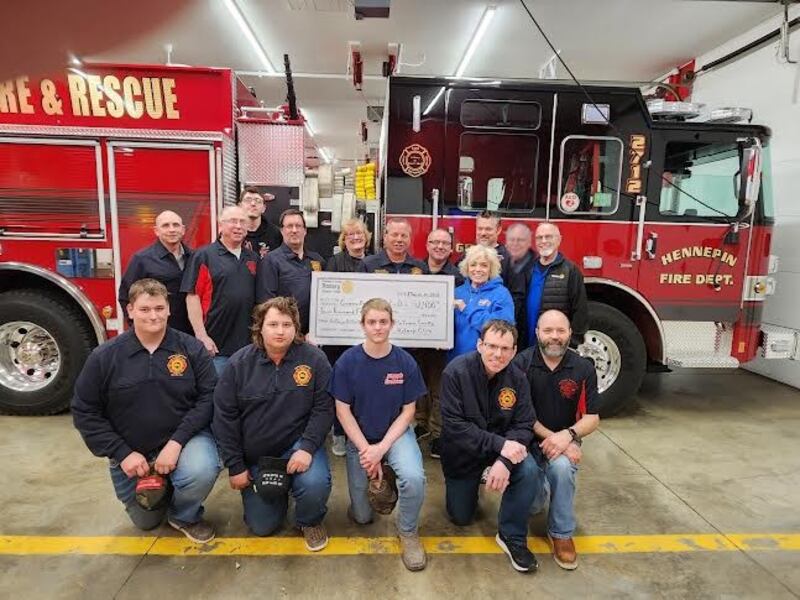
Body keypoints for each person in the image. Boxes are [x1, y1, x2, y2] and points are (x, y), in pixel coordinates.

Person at [72, 278, 220, 543]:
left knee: (201, 469)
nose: (154, 316)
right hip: (132, 453)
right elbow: (85, 411)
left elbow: (209, 398)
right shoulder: (105, 357)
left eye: (159, 308)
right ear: (130, 310)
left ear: (169, 309)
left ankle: (184, 514)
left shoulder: (190, 349)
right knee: (147, 521)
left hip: (184, 441)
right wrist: (122, 453)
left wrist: (176, 443)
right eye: (145, 309)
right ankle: (165, 486)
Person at [212, 297, 334, 551]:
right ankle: (279, 495)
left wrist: (308, 447)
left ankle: (308, 520)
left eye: (287, 324)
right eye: (273, 324)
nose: (280, 331)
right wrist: (235, 465)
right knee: (262, 527)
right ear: (260, 327)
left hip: (298, 446)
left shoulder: (315, 359)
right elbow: (225, 418)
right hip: (258, 455)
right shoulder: (238, 364)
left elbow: (324, 408)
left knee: (314, 484)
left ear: (296, 328)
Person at [330, 298, 428, 571]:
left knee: (413, 477)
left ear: (392, 324)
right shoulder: (347, 362)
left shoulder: (404, 361)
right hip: (360, 439)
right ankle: (377, 475)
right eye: (371, 322)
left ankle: (408, 532)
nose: (378, 327)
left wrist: (381, 449)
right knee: (362, 517)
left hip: (394, 436)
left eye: (383, 322)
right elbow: (342, 412)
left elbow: (409, 412)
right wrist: (367, 450)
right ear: (362, 325)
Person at [439, 319, 542, 573]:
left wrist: (505, 461)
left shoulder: (517, 378)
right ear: (479, 345)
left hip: (501, 452)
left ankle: (512, 536)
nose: (497, 354)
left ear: (514, 350)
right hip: (463, 454)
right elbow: (454, 426)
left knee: (528, 469)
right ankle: (473, 483)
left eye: (505, 348)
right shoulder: (455, 372)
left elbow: (525, 422)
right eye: (492, 346)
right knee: (461, 517)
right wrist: (500, 445)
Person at [513, 309, 600, 571]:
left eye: (560, 331)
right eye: (548, 331)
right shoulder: (521, 364)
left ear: (570, 334)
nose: (554, 337)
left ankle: (561, 533)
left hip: (564, 442)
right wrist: (557, 439)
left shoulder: (583, 368)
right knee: (534, 504)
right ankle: (539, 489)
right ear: (537, 332)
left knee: (561, 469)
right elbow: (522, 416)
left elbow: (592, 418)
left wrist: (569, 435)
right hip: (528, 442)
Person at [181, 205, 258, 376]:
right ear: (221, 226)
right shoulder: (203, 256)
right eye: (232, 221)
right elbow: (192, 296)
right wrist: (202, 336)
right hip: (216, 349)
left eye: (242, 222)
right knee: (217, 398)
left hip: (248, 348)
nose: (238, 226)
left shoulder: (253, 258)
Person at [324, 218, 372, 457]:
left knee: (363, 386)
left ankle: (360, 431)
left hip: (366, 336)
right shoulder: (333, 262)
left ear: (367, 237)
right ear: (344, 239)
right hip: (339, 338)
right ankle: (339, 433)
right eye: (350, 234)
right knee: (341, 385)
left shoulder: (375, 262)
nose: (356, 238)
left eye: (360, 234)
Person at [415, 228, 463, 458]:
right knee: (416, 385)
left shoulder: (458, 276)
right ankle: (419, 425)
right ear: (426, 244)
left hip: (442, 346)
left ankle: (437, 435)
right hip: (414, 342)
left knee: (439, 389)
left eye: (445, 243)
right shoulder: (414, 270)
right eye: (434, 242)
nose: (439, 246)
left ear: (451, 248)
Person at [119, 210, 193, 334]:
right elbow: (126, 295)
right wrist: (137, 328)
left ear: (183, 229)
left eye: (176, 225)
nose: (172, 230)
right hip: (157, 332)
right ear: (156, 231)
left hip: (190, 332)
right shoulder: (142, 259)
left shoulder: (195, 257)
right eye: (165, 225)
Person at [518, 222, 588, 348]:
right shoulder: (527, 268)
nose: (543, 241)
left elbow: (580, 311)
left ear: (559, 239)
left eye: (548, 237)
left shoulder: (571, 271)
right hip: (526, 345)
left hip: (554, 347)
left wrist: (572, 344)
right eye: (539, 237)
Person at [256, 209, 324, 335]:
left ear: (305, 230)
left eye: (298, 226)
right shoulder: (271, 261)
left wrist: (316, 331)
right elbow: (266, 303)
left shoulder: (317, 261)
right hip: (284, 334)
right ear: (282, 231)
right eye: (289, 226)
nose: (294, 230)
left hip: (311, 337)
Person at [449, 244, 515, 362]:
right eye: (473, 265)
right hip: (454, 361)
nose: (478, 269)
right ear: (467, 268)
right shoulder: (457, 292)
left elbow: (502, 331)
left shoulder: (501, 294)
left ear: (491, 268)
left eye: (484, 265)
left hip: (485, 363)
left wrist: (466, 309)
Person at [502, 223, 535, 347]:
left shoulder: (538, 268)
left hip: (528, 331)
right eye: (512, 239)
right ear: (506, 242)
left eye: (520, 240)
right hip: (506, 329)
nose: (515, 243)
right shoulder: (500, 266)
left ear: (529, 242)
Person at [358, 218, 428, 274]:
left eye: (404, 235)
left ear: (410, 238)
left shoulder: (420, 267)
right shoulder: (368, 265)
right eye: (395, 235)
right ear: (385, 237)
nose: (399, 239)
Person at [237, 186, 282, 259]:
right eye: (248, 200)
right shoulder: (233, 231)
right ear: (240, 206)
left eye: (257, 200)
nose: (253, 204)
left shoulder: (275, 233)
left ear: (264, 208)